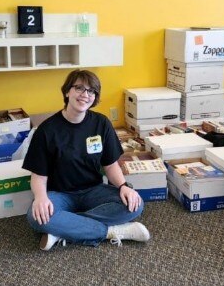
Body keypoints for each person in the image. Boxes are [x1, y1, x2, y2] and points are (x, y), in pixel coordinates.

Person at [24, 69, 150, 250]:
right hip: (60, 194)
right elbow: (38, 176)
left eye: (91, 91)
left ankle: (64, 230)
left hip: (93, 190)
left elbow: (110, 165)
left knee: (135, 205)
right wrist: (41, 197)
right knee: (35, 217)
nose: (85, 95)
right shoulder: (47, 130)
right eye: (79, 88)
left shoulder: (101, 123)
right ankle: (111, 232)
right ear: (67, 91)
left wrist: (124, 186)